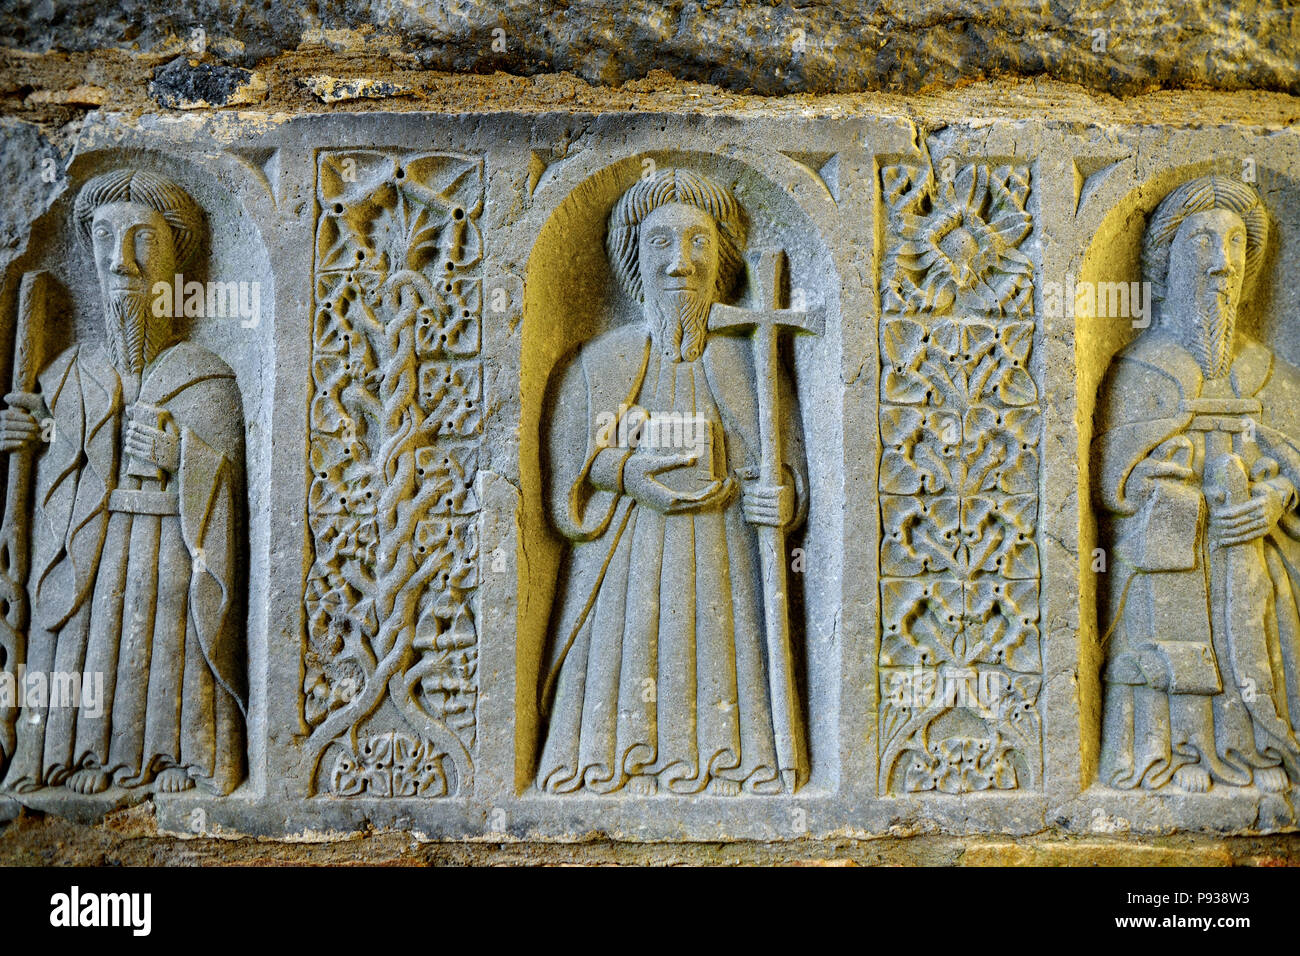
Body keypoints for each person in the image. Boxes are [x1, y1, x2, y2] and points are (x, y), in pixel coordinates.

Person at [536, 168, 808, 795]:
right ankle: (609, 761)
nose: (680, 264)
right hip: (626, 559)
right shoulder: (602, 361)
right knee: (625, 657)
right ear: (634, 258)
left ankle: (732, 764)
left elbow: (784, 466)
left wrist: (782, 495)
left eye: (698, 242)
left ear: (721, 258)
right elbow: (574, 471)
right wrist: (632, 474)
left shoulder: (748, 362)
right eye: (661, 243)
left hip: (724, 555)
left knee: (721, 651)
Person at [0, 169, 247, 795]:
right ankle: (77, 758)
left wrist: (179, 453)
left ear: (174, 261)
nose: (122, 261)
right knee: (90, 636)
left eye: (144, 240)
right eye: (106, 238)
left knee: (165, 640)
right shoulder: (65, 374)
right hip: (91, 548)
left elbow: (228, 494)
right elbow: (55, 472)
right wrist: (33, 436)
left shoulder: (207, 375)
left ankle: (180, 759)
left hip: (169, 547)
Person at [1096, 174, 1300, 792]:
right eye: (1203, 243)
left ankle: (1259, 750)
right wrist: (1145, 486)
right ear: (1167, 260)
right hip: (1169, 557)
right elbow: (1108, 475)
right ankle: (1172, 753)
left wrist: (1275, 498)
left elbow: (1294, 461)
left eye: (1237, 245)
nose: (1223, 265)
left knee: (1258, 616)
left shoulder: (1269, 373)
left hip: (1249, 555)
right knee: (1162, 623)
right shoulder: (1138, 371)